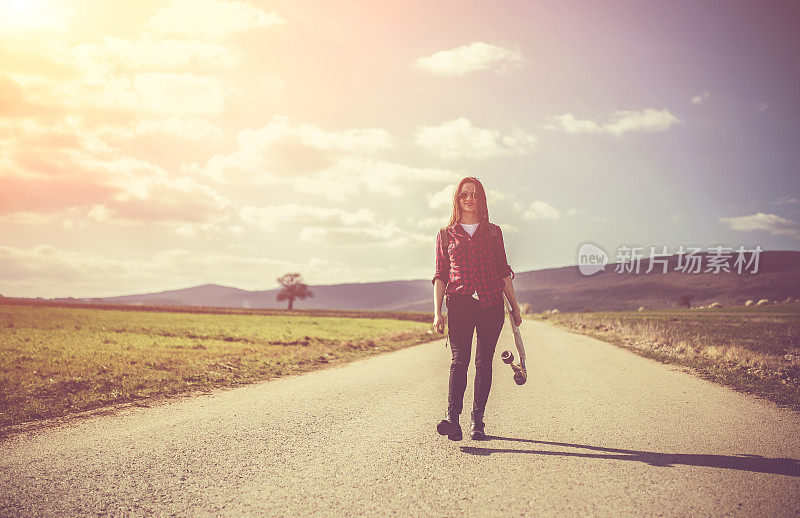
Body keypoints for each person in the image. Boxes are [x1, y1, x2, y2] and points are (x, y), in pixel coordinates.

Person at [432, 176, 522, 441]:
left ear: (481, 199)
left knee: (483, 363)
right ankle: (453, 419)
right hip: (458, 304)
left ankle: (477, 421)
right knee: (459, 361)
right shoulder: (446, 235)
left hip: (490, 304)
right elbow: (440, 275)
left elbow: (504, 272)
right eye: (464, 194)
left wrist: (515, 307)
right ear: (457, 199)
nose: (469, 198)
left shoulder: (494, 232)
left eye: (474, 194)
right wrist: (438, 312)